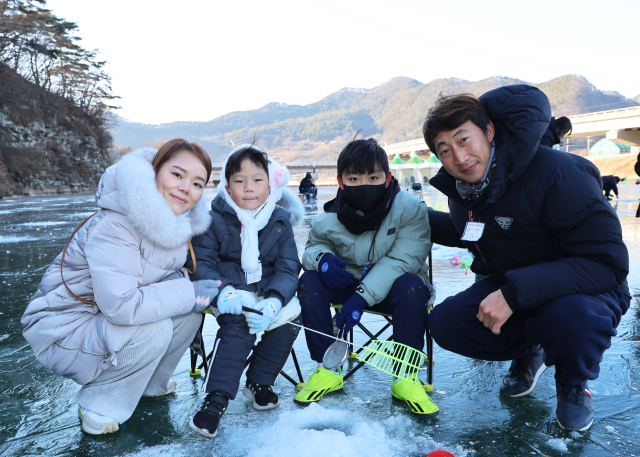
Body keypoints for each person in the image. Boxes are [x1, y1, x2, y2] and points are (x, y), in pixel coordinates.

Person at [423, 85, 630, 432]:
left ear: (489, 131)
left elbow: (606, 263)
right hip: (516, 285)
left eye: (463, 140)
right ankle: (531, 348)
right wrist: (404, 214)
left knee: (569, 318)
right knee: (445, 323)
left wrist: (513, 294)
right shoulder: (463, 192)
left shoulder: (559, 173)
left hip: (587, 290)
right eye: (445, 150)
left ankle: (573, 384)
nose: (458, 157)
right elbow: (466, 230)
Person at [21, 139, 220, 435]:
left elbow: (166, 281)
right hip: (63, 326)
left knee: (189, 316)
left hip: (98, 320)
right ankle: (98, 403)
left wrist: (206, 294)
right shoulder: (116, 224)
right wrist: (193, 292)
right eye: (177, 174)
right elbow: (122, 306)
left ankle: (151, 384)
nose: (185, 188)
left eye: (197, 183)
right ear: (155, 172)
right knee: (155, 329)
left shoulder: (173, 225)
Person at [293, 138, 438, 416]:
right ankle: (327, 367)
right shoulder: (326, 218)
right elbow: (313, 248)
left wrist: (361, 297)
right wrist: (322, 260)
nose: (363, 184)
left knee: (411, 287)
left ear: (387, 178)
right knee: (309, 282)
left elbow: (403, 260)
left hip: (393, 290)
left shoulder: (410, 209)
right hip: (347, 285)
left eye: (373, 176)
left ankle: (406, 377)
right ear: (340, 181)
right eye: (354, 177)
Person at [188, 144, 303, 439]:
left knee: (290, 319)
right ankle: (217, 399)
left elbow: (289, 268)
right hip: (226, 294)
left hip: (269, 293)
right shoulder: (213, 219)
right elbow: (200, 263)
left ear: (271, 183)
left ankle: (259, 382)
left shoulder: (280, 221)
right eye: (239, 181)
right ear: (227, 187)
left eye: (257, 180)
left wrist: (275, 302)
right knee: (239, 323)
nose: (248, 188)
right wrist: (225, 292)